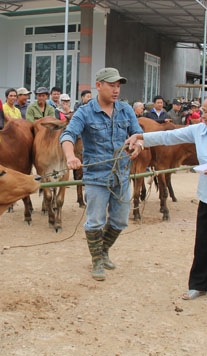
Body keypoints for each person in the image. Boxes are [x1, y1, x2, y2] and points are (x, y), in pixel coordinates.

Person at [126, 92, 207, 311]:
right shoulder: (199, 131)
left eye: (206, 111)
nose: (201, 115)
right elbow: (169, 136)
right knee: (203, 242)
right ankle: (198, 285)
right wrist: (141, 138)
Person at [60, 67, 143, 281]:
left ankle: (103, 250)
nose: (116, 90)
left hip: (122, 174)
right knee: (95, 220)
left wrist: (138, 145)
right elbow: (68, 134)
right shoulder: (85, 112)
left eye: (118, 86)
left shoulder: (125, 110)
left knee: (120, 220)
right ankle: (97, 260)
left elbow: (137, 133)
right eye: (111, 85)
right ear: (98, 85)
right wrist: (70, 156)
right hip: (96, 176)